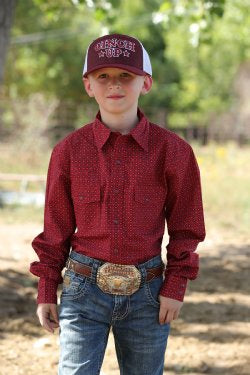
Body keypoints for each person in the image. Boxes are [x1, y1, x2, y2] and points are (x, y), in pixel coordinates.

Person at [30, 33, 206, 375]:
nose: (115, 85)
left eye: (126, 75)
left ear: (146, 82)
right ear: (88, 85)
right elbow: (55, 228)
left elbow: (187, 226)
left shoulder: (174, 152)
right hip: (82, 291)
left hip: (149, 292)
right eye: (103, 77)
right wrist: (46, 287)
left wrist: (176, 285)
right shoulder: (68, 152)